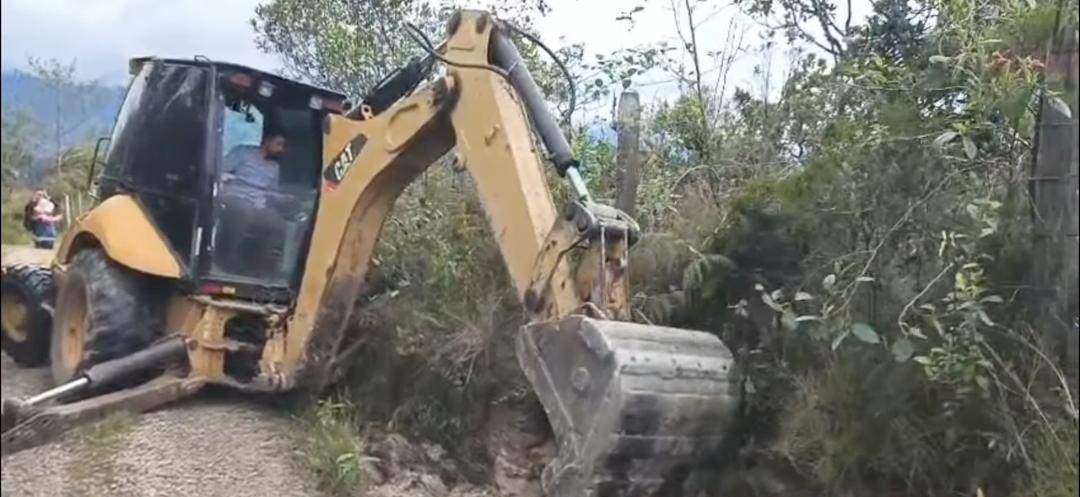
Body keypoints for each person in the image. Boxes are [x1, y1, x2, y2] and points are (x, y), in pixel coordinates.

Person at [217, 131, 290, 274]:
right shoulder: (243, 152)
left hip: (259, 204)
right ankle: (226, 258)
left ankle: (259, 265)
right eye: (278, 144)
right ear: (267, 141)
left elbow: (272, 191)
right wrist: (229, 179)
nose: (280, 150)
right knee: (244, 214)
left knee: (279, 224)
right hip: (235, 197)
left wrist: (282, 198)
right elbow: (221, 171)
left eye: (283, 146)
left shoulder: (274, 167)